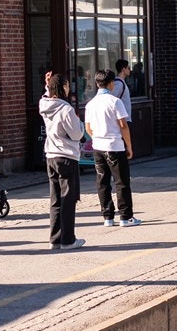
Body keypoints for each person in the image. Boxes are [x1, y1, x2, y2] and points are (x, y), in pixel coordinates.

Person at [38, 75, 86, 250]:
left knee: (55, 198)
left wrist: (47, 86)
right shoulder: (65, 109)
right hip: (66, 154)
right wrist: (81, 126)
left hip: (51, 154)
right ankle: (68, 239)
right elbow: (76, 134)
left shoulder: (45, 105)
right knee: (68, 198)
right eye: (66, 85)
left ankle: (55, 239)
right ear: (63, 88)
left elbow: (45, 96)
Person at [86, 70, 137, 226]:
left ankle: (107, 216)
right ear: (111, 83)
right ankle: (125, 216)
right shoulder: (115, 102)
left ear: (96, 83)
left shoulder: (90, 104)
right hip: (114, 145)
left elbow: (88, 128)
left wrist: (96, 137)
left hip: (98, 146)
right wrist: (129, 146)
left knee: (103, 182)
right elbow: (123, 126)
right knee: (121, 182)